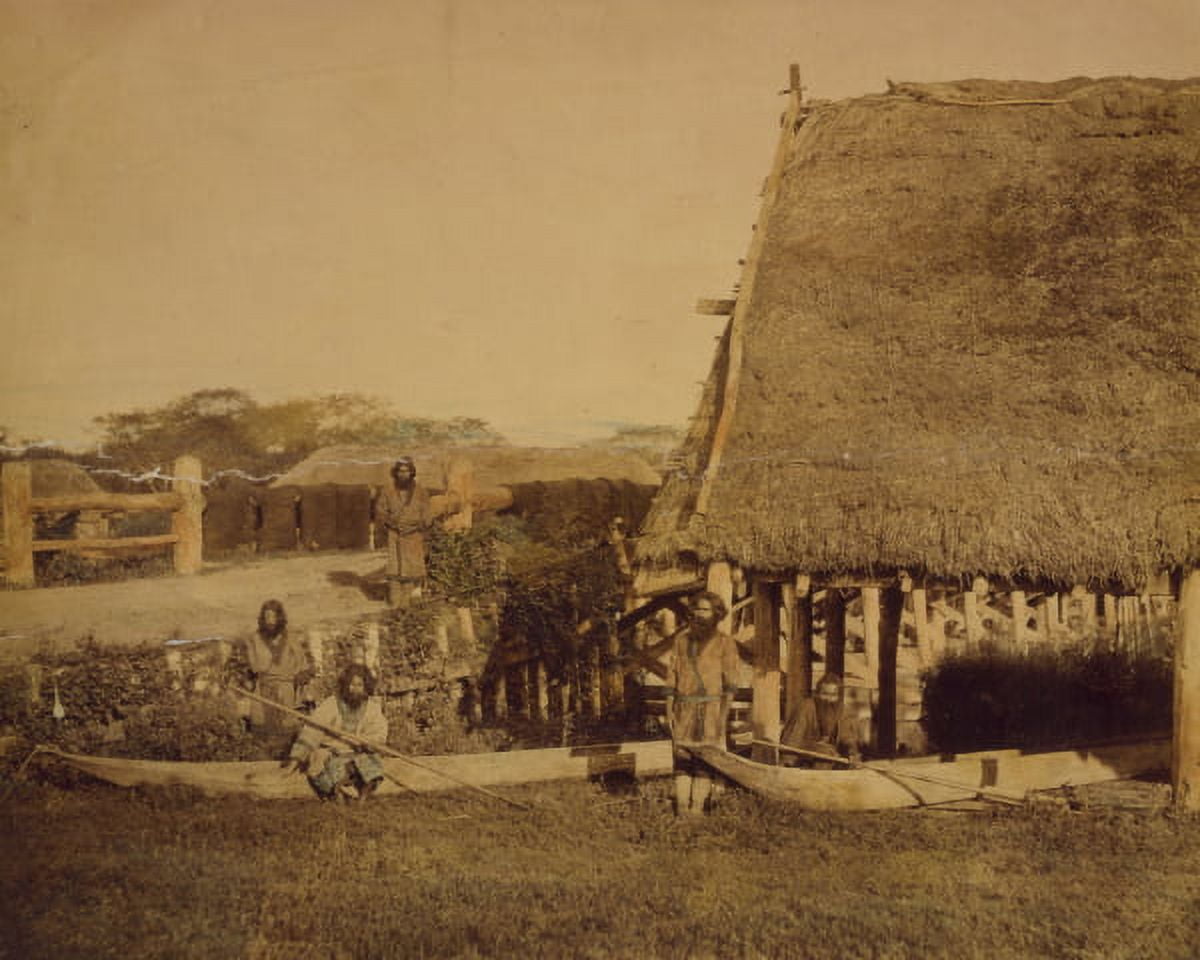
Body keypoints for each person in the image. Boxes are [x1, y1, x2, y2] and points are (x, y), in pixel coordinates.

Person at [664, 591, 739, 815]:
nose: (700, 614)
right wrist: (669, 709)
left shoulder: (726, 644)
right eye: (697, 609)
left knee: (705, 762)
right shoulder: (681, 640)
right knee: (682, 760)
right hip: (683, 709)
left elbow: (730, 686)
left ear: (716, 614)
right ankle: (682, 809)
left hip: (711, 711)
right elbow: (672, 677)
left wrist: (722, 718)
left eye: (705, 610)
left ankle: (696, 810)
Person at [285, 664, 389, 801]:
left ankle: (361, 795)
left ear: (366, 687)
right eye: (351, 684)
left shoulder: (372, 709)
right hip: (332, 752)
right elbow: (312, 731)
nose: (354, 689)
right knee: (321, 763)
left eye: (359, 685)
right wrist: (294, 762)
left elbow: (379, 733)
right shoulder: (332, 704)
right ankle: (338, 792)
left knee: (371, 764)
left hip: (358, 751)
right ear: (345, 685)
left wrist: (367, 742)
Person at [243, 600, 314, 733]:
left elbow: (302, 662)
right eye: (267, 617)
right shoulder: (254, 639)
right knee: (262, 727)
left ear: (279, 617)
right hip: (263, 688)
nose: (270, 621)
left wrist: (300, 677)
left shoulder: (290, 637)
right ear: (262, 619)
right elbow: (253, 666)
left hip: (285, 688)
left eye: (273, 616)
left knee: (286, 727)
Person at [374, 457, 434, 606]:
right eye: (400, 471)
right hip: (394, 534)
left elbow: (428, 515)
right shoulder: (388, 490)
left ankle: (405, 605)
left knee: (410, 571)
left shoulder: (421, 492)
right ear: (395, 473)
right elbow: (380, 511)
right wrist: (391, 523)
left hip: (413, 536)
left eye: (406, 471)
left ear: (412, 472)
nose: (403, 474)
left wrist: (416, 525)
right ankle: (394, 603)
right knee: (394, 570)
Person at [779, 672, 861, 766]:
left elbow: (847, 737)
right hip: (803, 757)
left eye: (833, 695)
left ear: (838, 696)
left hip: (832, 758)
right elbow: (793, 739)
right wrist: (787, 763)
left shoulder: (841, 710)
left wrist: (852, 751)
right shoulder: (806, 707)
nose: (829, 699)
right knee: (825, 752)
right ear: (816, 694)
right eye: (825, 694)